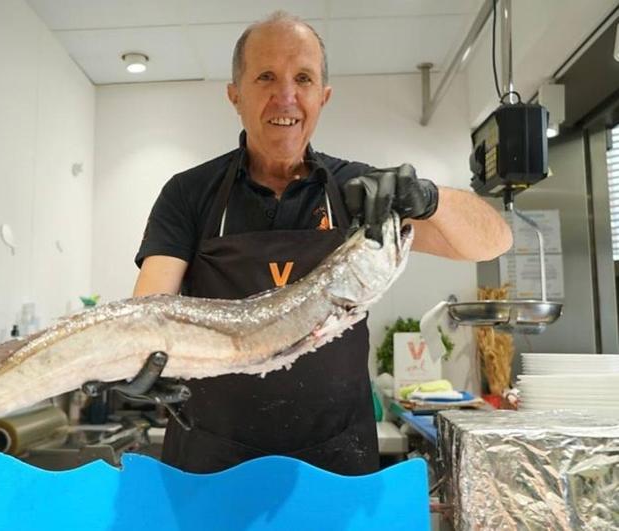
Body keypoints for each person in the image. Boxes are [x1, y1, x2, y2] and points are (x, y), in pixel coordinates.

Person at [132, 12, 512, 475]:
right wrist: (138, 355)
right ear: (235, 94)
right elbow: (151, 307)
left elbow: (491, 243)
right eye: (266, 76)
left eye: (303, 78)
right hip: (212, 458)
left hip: (336, 460)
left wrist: (430, 197)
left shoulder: (362, 193)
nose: (286, 96)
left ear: (323, 96)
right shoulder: (190, 193)